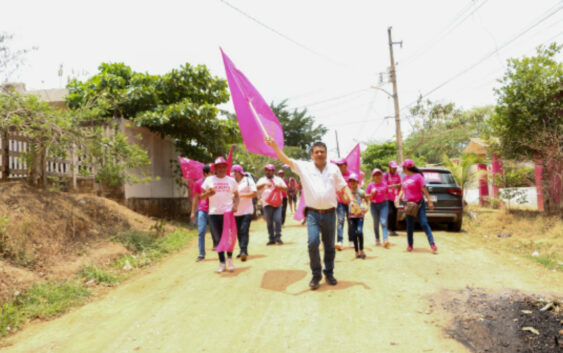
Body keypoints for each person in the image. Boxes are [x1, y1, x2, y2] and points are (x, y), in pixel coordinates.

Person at [265, 137, 352, 290]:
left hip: (330, 213)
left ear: (326, 154)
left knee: (330, 246)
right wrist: (274, 146)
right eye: (316, 152)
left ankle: (329, 273)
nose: (319, 154)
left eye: (322, 152)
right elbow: (286, 159)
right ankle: (316, 274)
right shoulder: (304, 167)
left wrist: (353, 201)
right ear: (311, 154)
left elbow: (343, 187)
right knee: (312, 243)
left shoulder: (333, 169)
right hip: (312, 214)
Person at [200, 157, 240, 272]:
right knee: (218, 238)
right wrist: (209, 192)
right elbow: (202, 197)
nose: (222, 169)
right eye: (219, 167)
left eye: (223, 166)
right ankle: (222, 262)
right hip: (214, 213)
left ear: (226, 168)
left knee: (229, 238)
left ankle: (230, 260)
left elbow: (237, 195)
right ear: (215, 168)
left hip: (228, 212)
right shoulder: (209, 180)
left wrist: (236, 205)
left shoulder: (231, 181)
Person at [395, 159, 438, 253]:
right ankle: (410, 245)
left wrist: (430, 201)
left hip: (419, 204)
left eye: (403, 167)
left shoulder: (418, 177)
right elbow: (402, 189)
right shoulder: (405, 178)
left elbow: (424, 190)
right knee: (409, 226)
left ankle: (432, 243)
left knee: (424, 223)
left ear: (406, 168)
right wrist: (398, 198)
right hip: (409, 205)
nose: (402, 168)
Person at [256, 164, 287, 245]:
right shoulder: (262, 180)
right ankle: (271, 239)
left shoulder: (279, 179)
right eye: (266, 170)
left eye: (269, 170)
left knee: (277, 220)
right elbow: (256, 187)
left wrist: (279, 186)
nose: (267, 172)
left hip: (278, 203)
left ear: (273, 171)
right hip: (266, 204)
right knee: (269, 222)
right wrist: (264, 184)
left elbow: (285, 189)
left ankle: (278, 237)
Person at [232, 164, 257, 262]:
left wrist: (240, 195)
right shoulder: (232, 182)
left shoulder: (248, 181)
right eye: (233, 172)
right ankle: (241, 249)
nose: (233, 174)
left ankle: (243, 251)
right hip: (236, 211)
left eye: (235, 172)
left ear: (240, 172)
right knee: (238, 231)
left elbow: (254, 193)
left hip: (247, 210)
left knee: (244, 229)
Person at [191, 164, 212, 262]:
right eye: (211, 173)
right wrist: (192, 212)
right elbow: (195, 198)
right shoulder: (198, 184)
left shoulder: (215, 183)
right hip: (202, 210)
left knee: (216, 231)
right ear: (205, 174)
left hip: (214, 210)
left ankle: (219, 246)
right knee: (201, 231)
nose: (212, 175)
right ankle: (201, 254)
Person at [366, 168, 390, 248]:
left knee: (383, 222)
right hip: (374, 205)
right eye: (375, 175)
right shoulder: (370, 185)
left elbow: (387, 194)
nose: (377, 176)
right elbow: (366, 197)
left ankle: (385, 240)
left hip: (384, 205)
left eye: (379, 174)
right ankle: (377, 238)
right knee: (376, 223)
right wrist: (371, 194)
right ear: (373, 177)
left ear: (381, 175)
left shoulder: (384, 184)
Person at [347, 173, 369, 259]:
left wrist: (367, 208)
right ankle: (356, 252)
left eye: (354, 181)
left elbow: (367, 200)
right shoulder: (348, 192)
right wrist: (340, 194)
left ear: (357, 182)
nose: (352, 183)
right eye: (350, 181)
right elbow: (345, 200)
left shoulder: (361, 192)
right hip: (351, 216)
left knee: (359, 231)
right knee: (354, 233)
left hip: (360, 215)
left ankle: (362, 250)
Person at [334, 159, 351, 250]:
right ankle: (339, 241)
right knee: (340, 221)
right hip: (340, 202)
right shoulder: (336, 176)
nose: (339, 167)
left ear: (346, 165)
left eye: (341, 165)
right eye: (338, 165)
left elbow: (355, 187)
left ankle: (351, 240)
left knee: (350, 221)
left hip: (349, 202)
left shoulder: (351, 175)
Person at [384, 161, 402, 236]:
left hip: (395, 197)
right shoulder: (386, 175)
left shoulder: (397, 175)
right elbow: (383, 185)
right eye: (393, 167)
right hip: (388, 197)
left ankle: (393, 230)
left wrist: (396, 185)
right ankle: (388, 229)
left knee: (395, 213)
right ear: (389, 167)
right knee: (390, 213)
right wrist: (390, 186)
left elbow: (401, 184)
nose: (394, 169)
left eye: (395, 168)